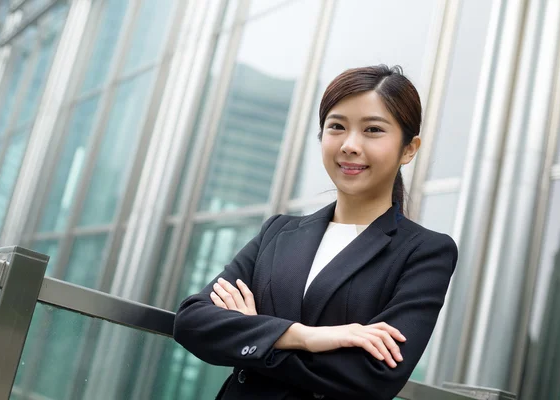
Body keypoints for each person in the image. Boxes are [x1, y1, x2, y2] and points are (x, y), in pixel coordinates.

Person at [173, 65, 458, 400]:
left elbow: (373, 376)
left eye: (373, 130)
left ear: (408, 149)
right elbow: (192, 322)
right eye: (336, 126)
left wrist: (257, 334)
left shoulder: (424, 252)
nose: (350, 145)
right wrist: (304, 336)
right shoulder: (278, 232)